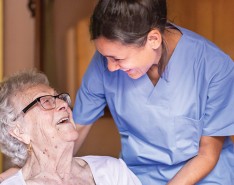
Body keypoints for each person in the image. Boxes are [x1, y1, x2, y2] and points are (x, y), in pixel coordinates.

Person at [72, 0, 234, 184]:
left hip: (206, 177)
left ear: (153, 39)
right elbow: (78, 127)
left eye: (117, 58)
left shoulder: (214, 66)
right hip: (139, 178)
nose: (109, 67)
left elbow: (207, 155)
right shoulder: (104, 62)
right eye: (105, 57)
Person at [0, 70, 142, 185]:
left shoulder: (112, 171)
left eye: (59, 98)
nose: (63, 104)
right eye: (46, 101)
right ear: (19, 131)